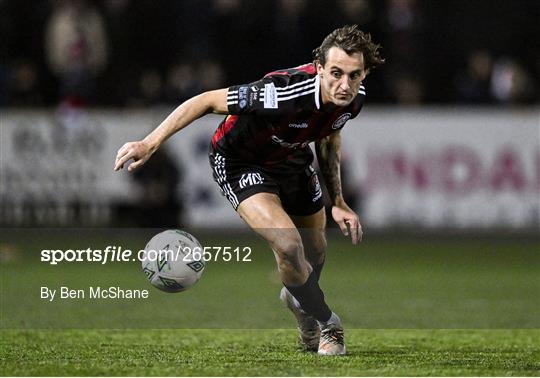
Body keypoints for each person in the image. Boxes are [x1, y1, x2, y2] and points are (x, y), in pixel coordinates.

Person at [114, 25, 384, 355]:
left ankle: (298, 295)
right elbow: (206, 100)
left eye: (354, 75)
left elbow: (328, 136)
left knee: (314, 254)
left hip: (292, 161)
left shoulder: (353, 101)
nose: (344, 85)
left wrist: (338, 200)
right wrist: (150, 142)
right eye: (336, 73)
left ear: (365, 73)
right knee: (287, 244)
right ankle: (327, 322)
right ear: (318, 68)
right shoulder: (279, 93)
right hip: (240, 162)